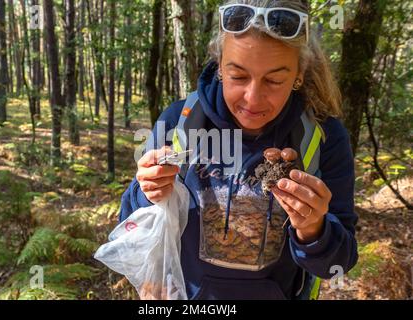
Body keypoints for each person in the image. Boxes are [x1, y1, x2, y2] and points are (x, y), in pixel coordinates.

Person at [118, 0, 358, 300]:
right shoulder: (179, 123)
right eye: (238, 76)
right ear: (219, 66)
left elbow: (338, 263)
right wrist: (147, 190)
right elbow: (130, 226)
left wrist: (314, 229)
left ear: (298, 74)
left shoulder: (322, 137)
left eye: (274, 80)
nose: (253, 98)